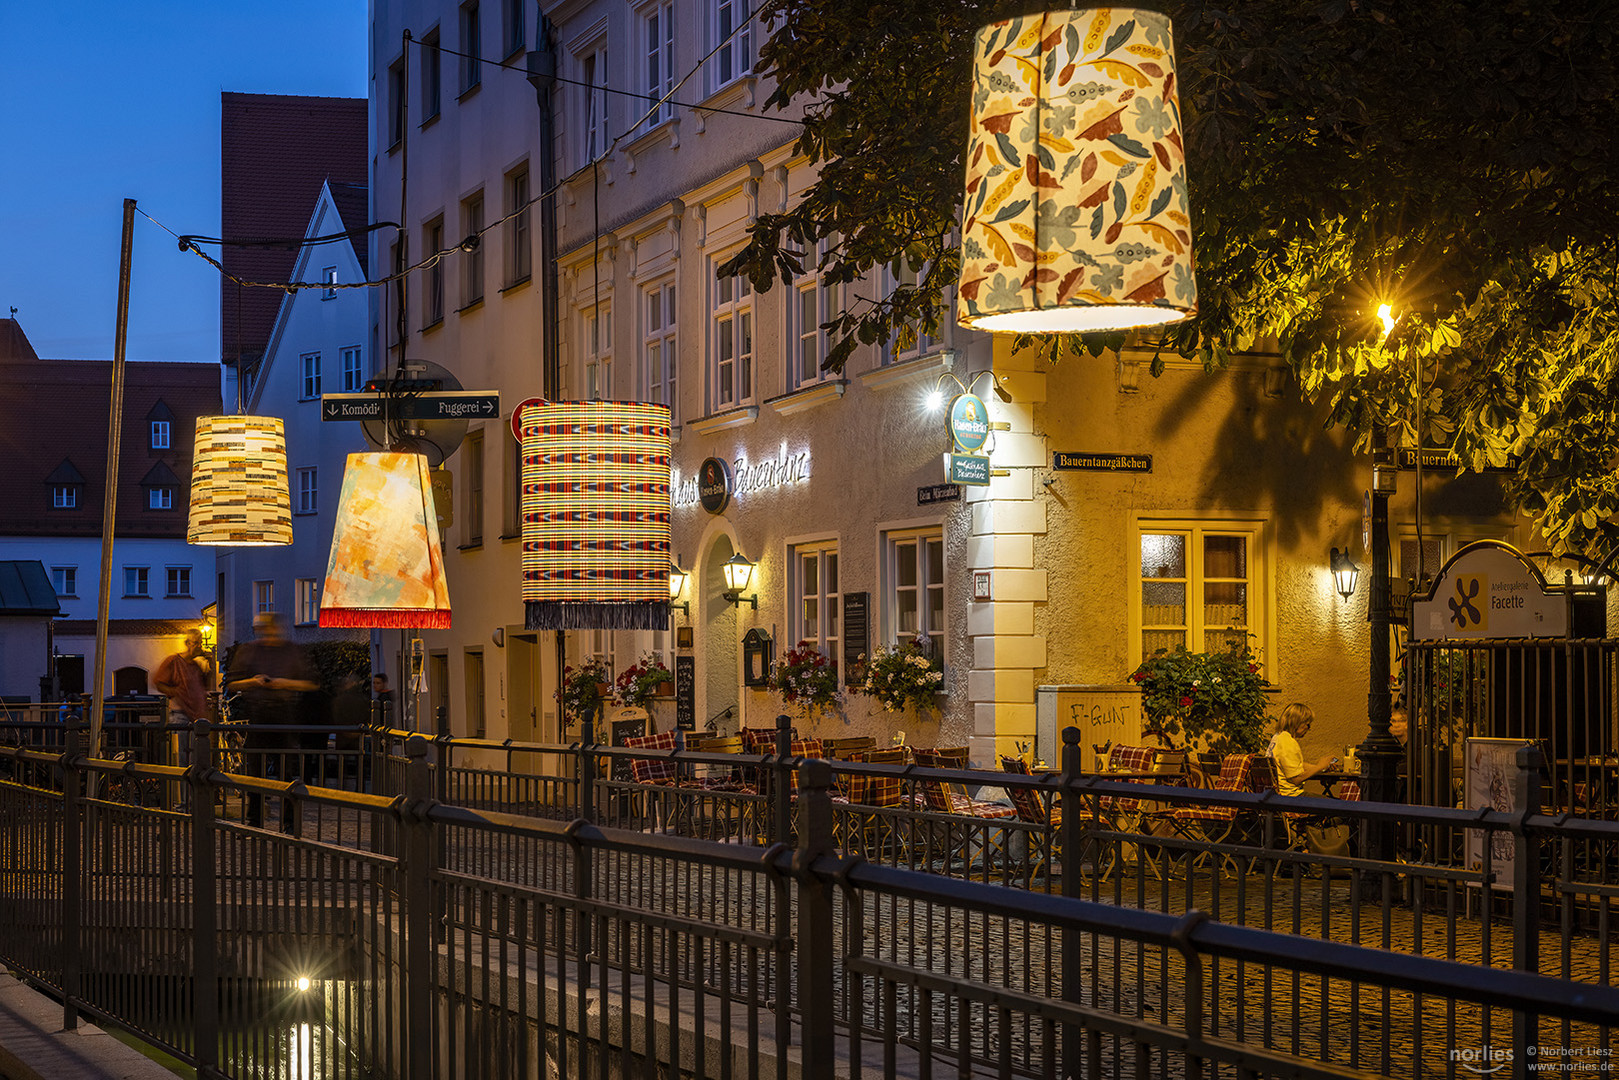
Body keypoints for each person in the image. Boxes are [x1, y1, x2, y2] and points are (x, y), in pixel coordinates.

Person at [225, 612, 318, 829]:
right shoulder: (249, 651)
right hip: (259, 714)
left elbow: (310, 683)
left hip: (283, 715)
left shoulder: (291, 651)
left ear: (276, 628)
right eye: (262, 630)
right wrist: (254, 681)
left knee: (285, 771)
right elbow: (232, 683)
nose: (266, 634)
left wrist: (284, 683)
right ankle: (255, 821)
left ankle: (288, 824)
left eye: (268, 629)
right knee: (255, 770)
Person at [153, 628, 213, 768]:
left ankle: (191, 790)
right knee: (182, 759)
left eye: (200, 643)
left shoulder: (197, 666)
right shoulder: (174, 661)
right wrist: (175, 692)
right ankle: (182, 790)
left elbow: (205, 686)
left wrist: (208, 664)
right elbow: (158, 682)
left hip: (196, 716)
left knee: (195, 759)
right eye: (196, 643)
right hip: (180, 713)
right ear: (188, 643)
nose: (199, 646)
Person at [1266, 702, 1338, 797]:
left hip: (1275, 795)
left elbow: (1293, 765)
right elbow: (1296, 779)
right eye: (1308, 725)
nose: (1308, 729)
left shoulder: (1277, 737)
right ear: (1297, 723)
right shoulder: (1288, 742)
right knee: (1339, 806)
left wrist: (1321, 766)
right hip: (1290, 797)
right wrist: (1319, 767)